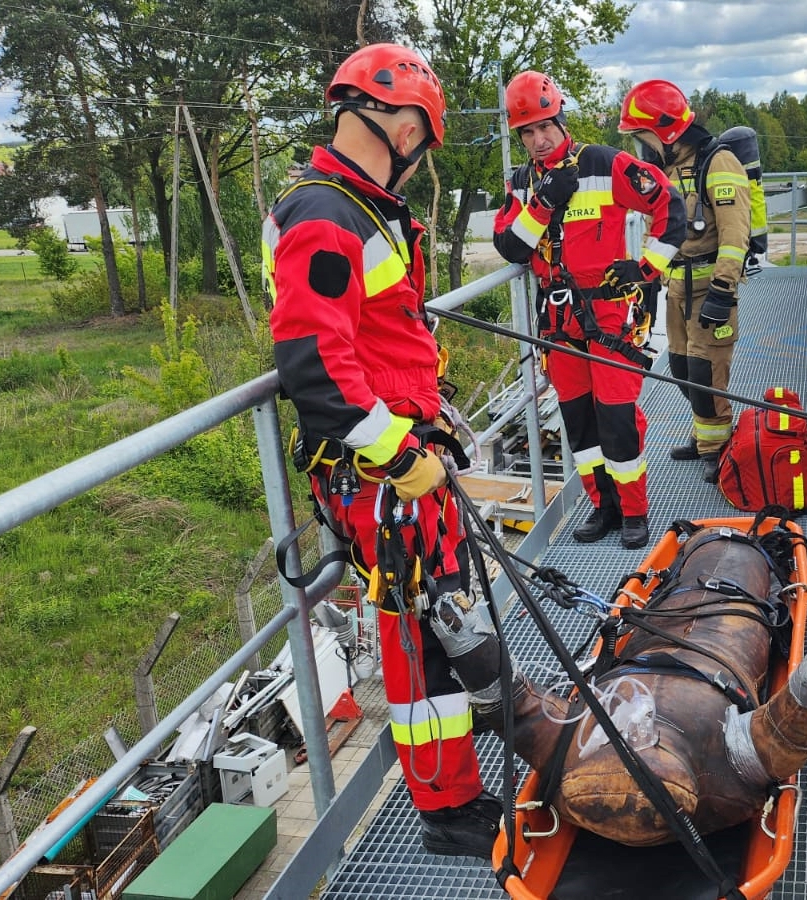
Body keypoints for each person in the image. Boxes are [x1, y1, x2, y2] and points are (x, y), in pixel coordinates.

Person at [263, 43, 504, 858]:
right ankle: (445, 807)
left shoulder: (358, 209)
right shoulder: (325, 215)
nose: (418, 155)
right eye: (422, 141)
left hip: (400, 457)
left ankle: (453, 785)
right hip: (380, 472)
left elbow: (372, 336)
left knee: (438, 621)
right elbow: (314, 366)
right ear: (404, 128)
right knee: (418, 636)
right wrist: (398, 457)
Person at [494, 71, 684, 549]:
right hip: (558, 321)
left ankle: (634, 511)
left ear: (561, 120)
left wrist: (647, 268)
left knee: (617, 417)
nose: (538, 140)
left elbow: (670, 207)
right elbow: (511, 247)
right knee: (578, 421)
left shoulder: (603, 163)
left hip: (609, 315)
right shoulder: (522, 184)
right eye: (527, 132)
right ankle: (603, 507)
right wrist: (543, 203)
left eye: (545, 127)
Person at [618, 80, 752, 484]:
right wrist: (646, 278)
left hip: (709, 287)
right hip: (677, 287)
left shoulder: (719, 163)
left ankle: (718, 449)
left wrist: (723, 290)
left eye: (643, 137)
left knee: (705, 373)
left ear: (666, 132)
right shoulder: (667, 172)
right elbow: (656, 229)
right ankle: (704, 434)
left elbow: (735, 233)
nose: (642, 148)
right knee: (680, 368)